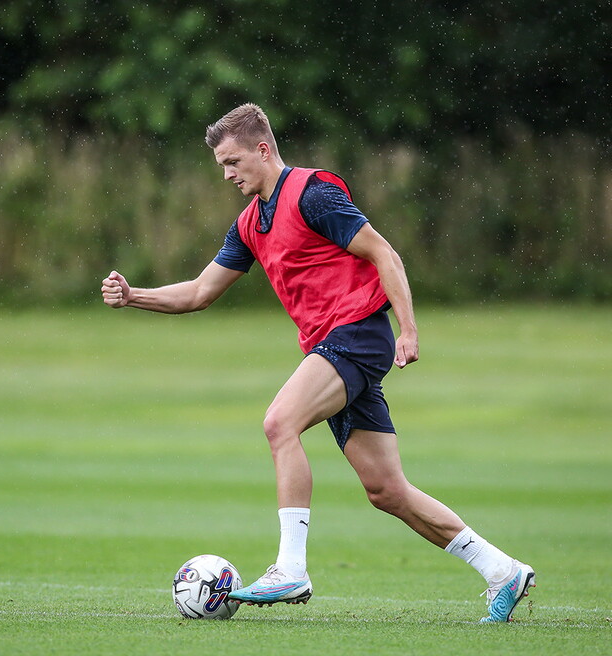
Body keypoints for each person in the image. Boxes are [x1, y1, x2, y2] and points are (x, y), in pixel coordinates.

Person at [101, 103, 535, 623]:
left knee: (279, 422)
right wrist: (134, 296)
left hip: (356, 335)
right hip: (333, 346)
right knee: (387, 491)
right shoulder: (248, 225)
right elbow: (198, 292)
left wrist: (409, 329)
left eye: (233, 161)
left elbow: (384, 254)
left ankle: (290, 567)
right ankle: (502, 571)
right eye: (221, 164)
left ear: (264, 149)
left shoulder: (312, 194)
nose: (226, 174)